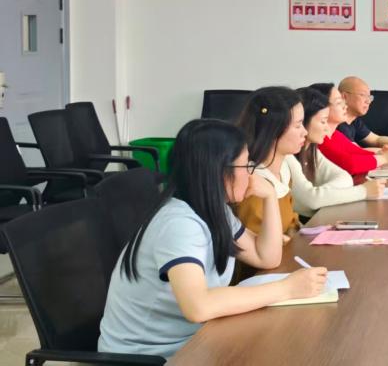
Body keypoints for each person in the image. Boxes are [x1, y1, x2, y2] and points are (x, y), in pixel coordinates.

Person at [98, 120, 327, 358]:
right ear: (218, 171)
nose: (251, 174)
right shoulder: (179, 224)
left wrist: (269, 196)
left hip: (194, 341)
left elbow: (266, 257)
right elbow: (199, 306)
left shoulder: (214, 210)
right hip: (148, 356)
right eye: (245, 165)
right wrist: (286, 288)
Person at [290, 88, 387, 218]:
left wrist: (324, 196)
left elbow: (345, 178)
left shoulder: (313, 149)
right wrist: (363, 191)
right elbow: (311, 201)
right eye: (323, 121)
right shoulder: (288, 157)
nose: (326, 128)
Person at [234, 87, 305, 239]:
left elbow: (290, 222)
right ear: (273, 130)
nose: (304, 132)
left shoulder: (283, 169)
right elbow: (257, 245)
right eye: (298, 125)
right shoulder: (252, 185)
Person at [309, 82, 388, 185]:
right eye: (339, 102)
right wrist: (385, 158)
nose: (345, 106)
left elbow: (357, 153)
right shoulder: (320, 139)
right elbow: (350, 164)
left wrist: (382, 153)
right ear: (322, 108)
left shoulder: (335, 134)